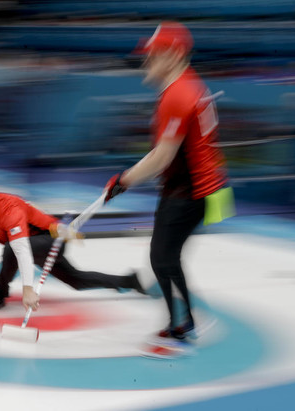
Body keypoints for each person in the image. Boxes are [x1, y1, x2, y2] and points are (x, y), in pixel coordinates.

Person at [104, 22, 228, 342]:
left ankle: (182, 322)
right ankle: (182, 319)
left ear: (173, 54)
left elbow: (162, 157)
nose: (146, 62)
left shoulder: (178, 93)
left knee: (162, 257)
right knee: (165, 256)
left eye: (152, 55)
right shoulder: (187, 85)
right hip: (200, 189)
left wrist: (123, 180)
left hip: (190, 191)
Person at [0, 168, 145, 311]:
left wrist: (28, 289)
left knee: (11, 248)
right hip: (29, 244)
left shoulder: (10, 209)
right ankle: (129, 281)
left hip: (50, 238)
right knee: (76, 281)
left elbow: (21, 250)